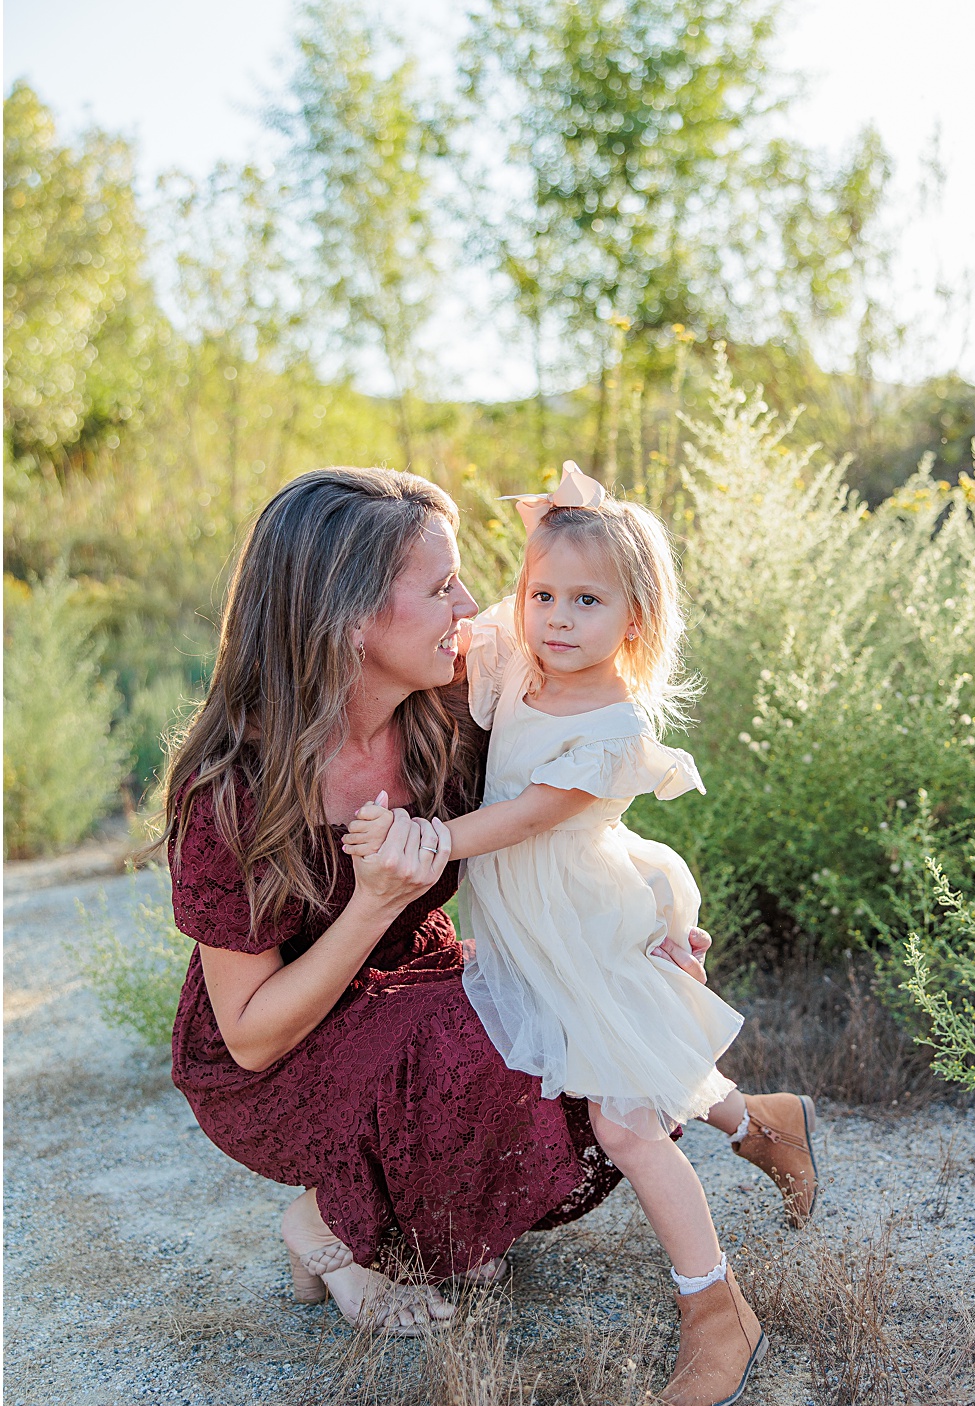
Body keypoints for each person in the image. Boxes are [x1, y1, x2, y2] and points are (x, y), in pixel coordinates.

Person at [158, 465, 721, 1340]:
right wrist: (375, 903)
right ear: (348, 620)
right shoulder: (231, 793)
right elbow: (252, 1033)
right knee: (475, 1043)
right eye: (440, 586)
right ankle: (329, 1231)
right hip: (275, 1063)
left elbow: (578, 820)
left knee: (586, 1027)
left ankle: (414, 1217)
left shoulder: (448, 712)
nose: (471, 604)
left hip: (413, 986)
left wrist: (650, 923)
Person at [345, 463, 818, 1406]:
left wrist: (426, 840)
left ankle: (717, 1310)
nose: (557, 617)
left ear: (634, 620)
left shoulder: (611, 725)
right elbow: (442, 632)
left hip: (585, 922)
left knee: (626, 1123)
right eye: (542, 594)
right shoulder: (522, 661)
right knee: (636, 1053)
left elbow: (522, 816)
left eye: (587, 600)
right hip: (535, 931)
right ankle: (765, 1124)